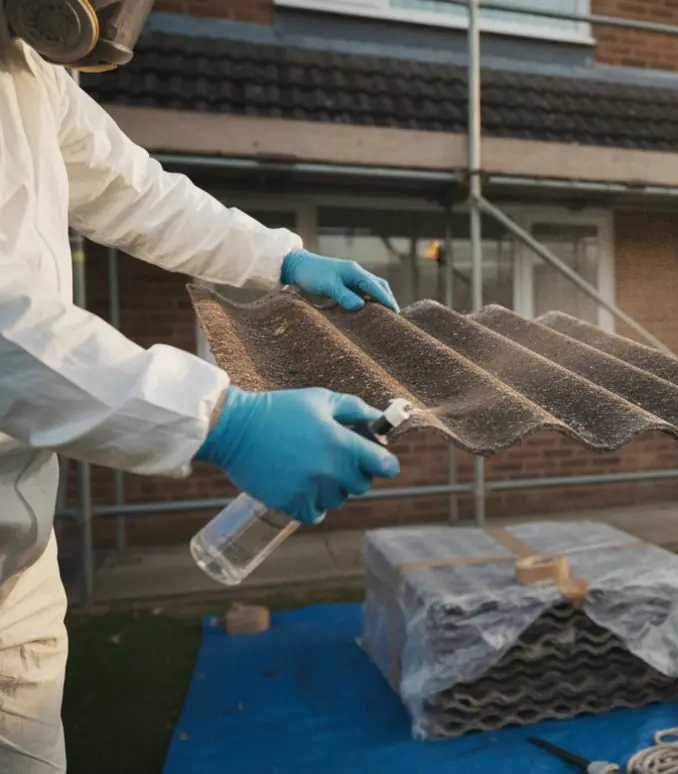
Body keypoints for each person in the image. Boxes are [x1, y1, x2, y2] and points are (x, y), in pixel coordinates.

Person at [2, 6, 404, 771]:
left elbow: (136, 192)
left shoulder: (30, 69)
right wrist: (224, 421)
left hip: (16, 561)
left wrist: (280, 259)